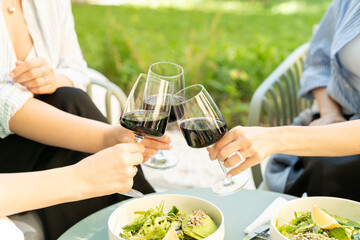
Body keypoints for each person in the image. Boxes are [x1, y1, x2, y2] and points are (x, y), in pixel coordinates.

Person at [0, 0, 171, 239]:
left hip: (43, 132)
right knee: (71, 104)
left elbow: (76, 69)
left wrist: (52, 80)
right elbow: (3, 102)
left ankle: (144, 218)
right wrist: (106, 137)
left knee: (68, 100)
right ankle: (155, 217)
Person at [208, 0, 360, 202]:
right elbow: (318, 60)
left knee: (330, 171)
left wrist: (275, 138)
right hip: (338, 115)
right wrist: (330, 113)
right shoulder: (348, 4)